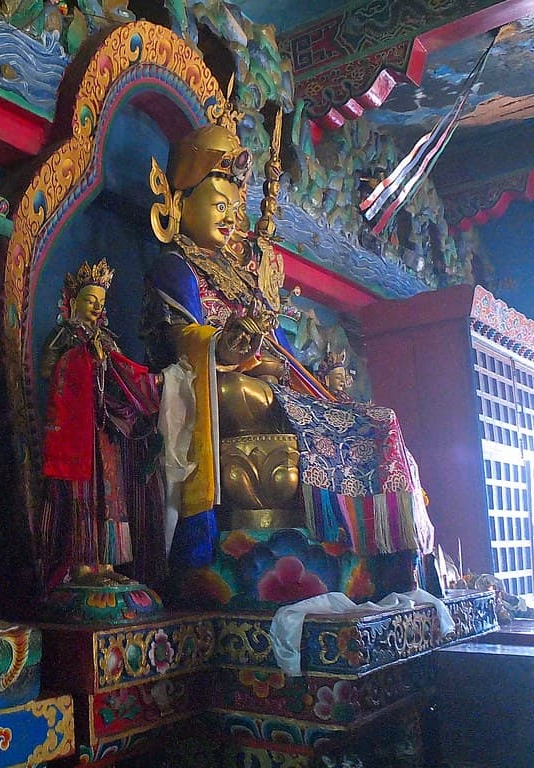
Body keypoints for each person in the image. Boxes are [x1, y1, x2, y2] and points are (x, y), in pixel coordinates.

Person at [142, 121, 434, 573]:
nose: (229, 219)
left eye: (234, 211)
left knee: (372, 420)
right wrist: (228, 347)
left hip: (261, 391)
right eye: (219, 205)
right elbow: (184, 340)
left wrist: (266, 361)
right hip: (214, 391)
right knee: (232, 394)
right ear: (179, 204)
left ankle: (386, 551)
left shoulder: (241, 275)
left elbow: (279, 358)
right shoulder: (175, 266)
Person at [39, 259, 166, 588]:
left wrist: (156, 385)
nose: (96, 307)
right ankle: (81, 565)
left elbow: (124, 378)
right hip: (75, 429)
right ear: (73, 302)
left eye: (101, 302)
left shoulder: (107, 340)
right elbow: (47, 371)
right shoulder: (64, 335)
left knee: (110, 496)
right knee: (82, 495)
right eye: (89, 301)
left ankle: (106, 563)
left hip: (104, 429)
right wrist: (81, 356)